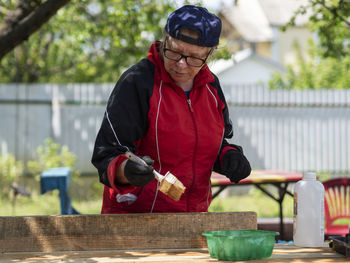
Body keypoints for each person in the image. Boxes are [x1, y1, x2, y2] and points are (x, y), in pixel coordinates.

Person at [91, 5, 251, 214]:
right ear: (164, 40)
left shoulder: (211, 87)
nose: (181, 64)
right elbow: (107, 153)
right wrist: (127, 171)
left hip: (193, 216)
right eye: (174, 52)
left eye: (194, 58)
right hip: (136, 217)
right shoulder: (138, 82)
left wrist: (229, 157)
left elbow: (214, 143)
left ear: (210, 54)